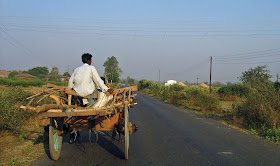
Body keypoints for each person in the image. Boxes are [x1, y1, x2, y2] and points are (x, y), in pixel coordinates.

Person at [67, 53, 114, 143]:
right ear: (89, 60)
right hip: (89, 92)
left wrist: (70, 90)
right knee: (102, 94)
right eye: (91, 60)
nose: (91, 61)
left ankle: (85, 104)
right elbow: (98, 80)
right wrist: (107, 89)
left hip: (77, 93)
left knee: (81, 97)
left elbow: (70, 82)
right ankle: (94, 106)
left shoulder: (76, 69)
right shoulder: (91, 68)